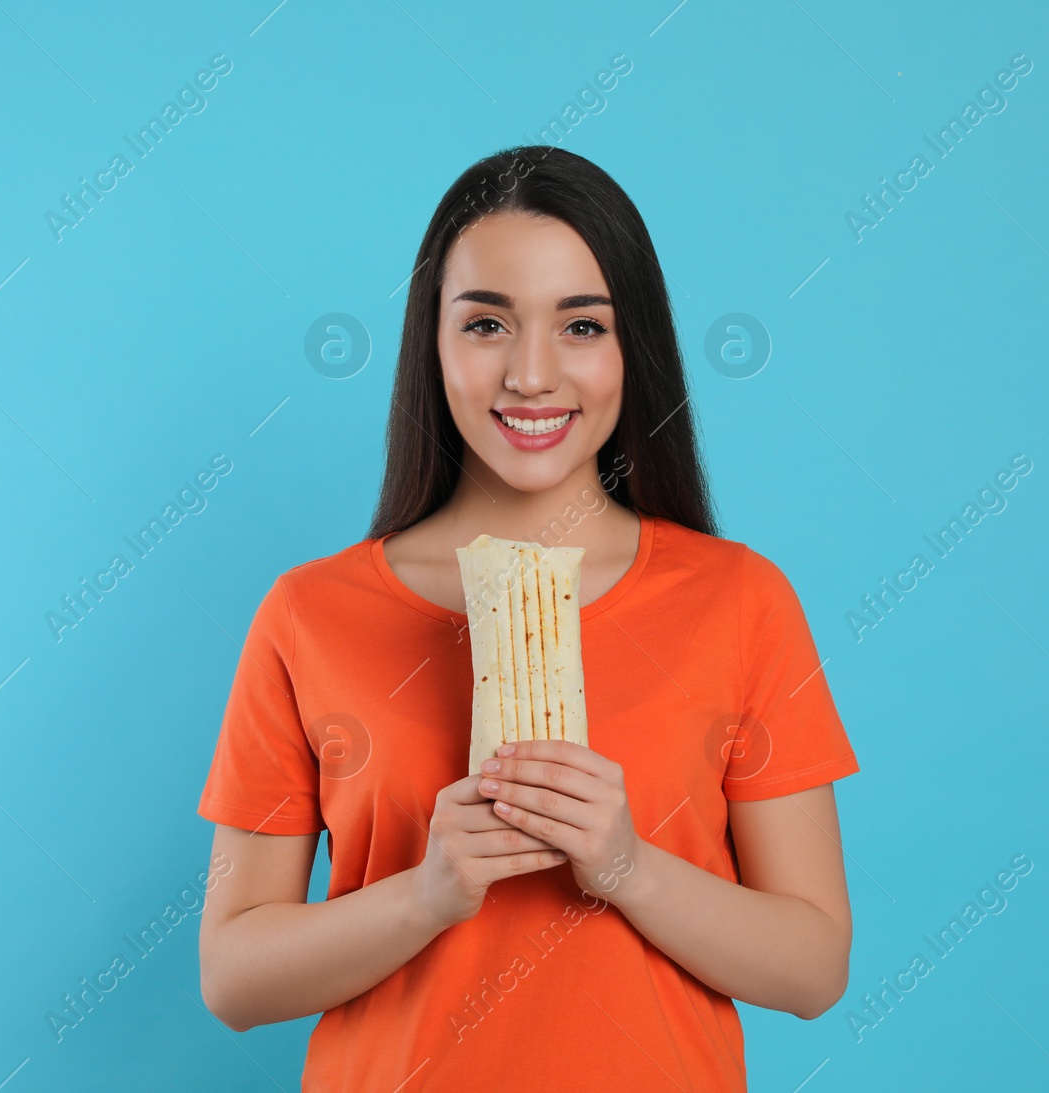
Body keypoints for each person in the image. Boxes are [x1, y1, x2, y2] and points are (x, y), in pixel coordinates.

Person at [195, 144, 860, 1090]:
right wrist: (428, 894)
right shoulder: (310, 612)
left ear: (636, 347)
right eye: (487, 324)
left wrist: (628, 865)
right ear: (432, 341)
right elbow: (233, 975)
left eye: (582, 325)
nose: (533, 375)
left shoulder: (740, 600)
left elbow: (813, 966)